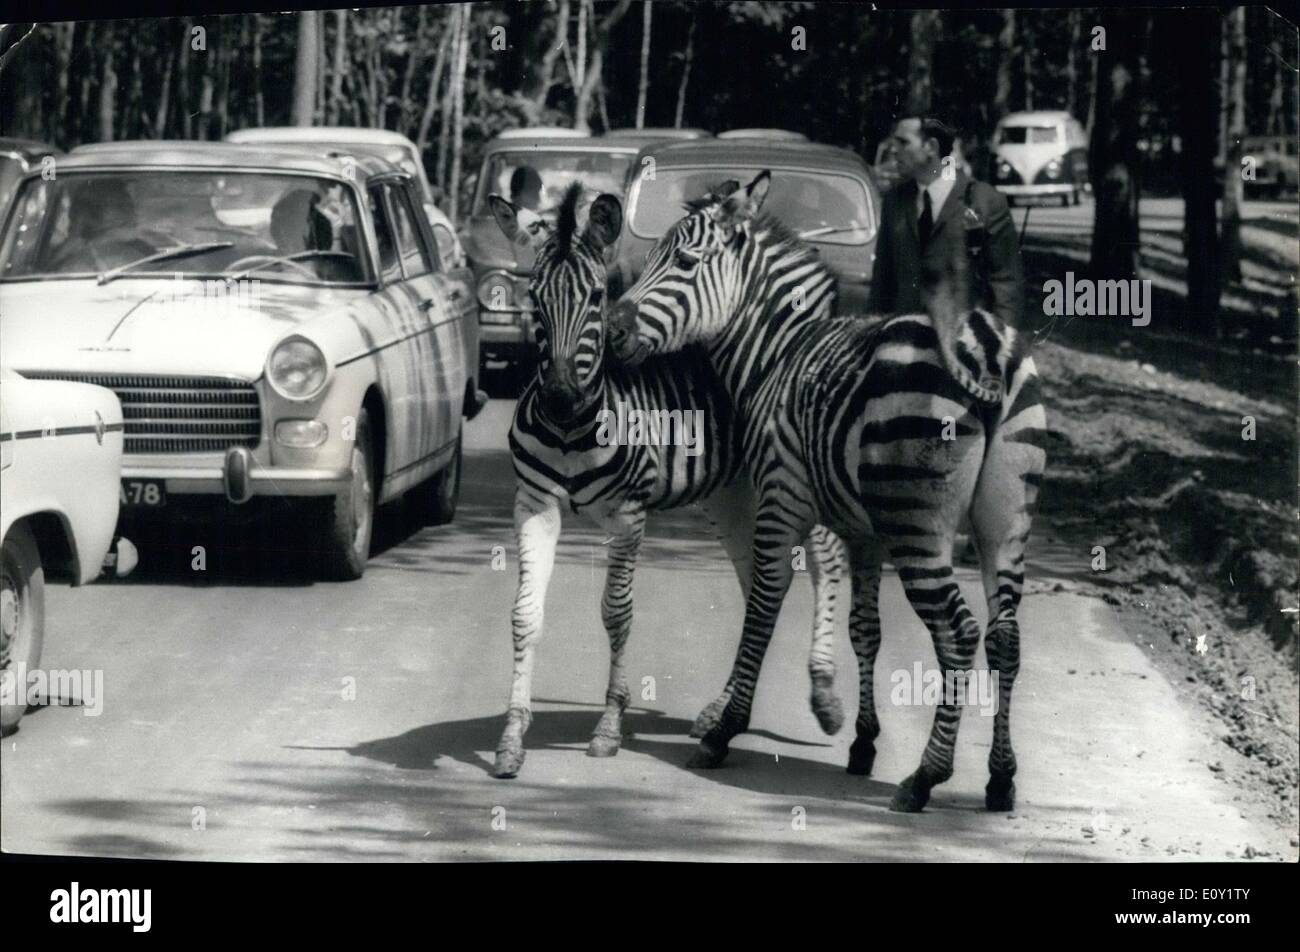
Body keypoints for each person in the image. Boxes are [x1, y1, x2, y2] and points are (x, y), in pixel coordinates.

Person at [866, 116, 1023, 332]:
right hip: (902, 344)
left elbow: (1006, 286)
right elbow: (882, 283)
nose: (893, 150)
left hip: (963, 347)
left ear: (931, 147)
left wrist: (1001, 348)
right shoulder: (895, 202)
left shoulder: (984, 202)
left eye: (903, 142)